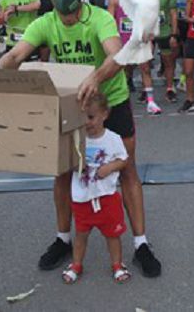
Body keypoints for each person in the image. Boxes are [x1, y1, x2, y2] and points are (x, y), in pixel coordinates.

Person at [0, 0, 162, 278]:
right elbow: (16, 56)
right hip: (72, 106)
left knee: (126, 169)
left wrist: (97, 76)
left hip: (111, 102)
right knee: (62, 172)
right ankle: (63, 239)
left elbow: (116, 53)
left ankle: (141, 244)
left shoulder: (98, 18)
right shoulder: (45, 23)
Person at [61, 93, 131, 284]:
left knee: (113, 235)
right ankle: (76, 264)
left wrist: (109, 167)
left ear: (104, 115)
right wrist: (74, 166)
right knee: (81, 235)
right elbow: (67, 161)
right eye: (83, 117)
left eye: (91, 117)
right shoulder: (77, 138)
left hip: (107, 197)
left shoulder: (113, 139)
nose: (87, 122)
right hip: (82, 198)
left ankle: (117, 264)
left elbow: (123, 159)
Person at [108, 0, 160, 114]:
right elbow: (109, 21)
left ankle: (151, 101)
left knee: (145, 69)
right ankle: (121, 101)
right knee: (123, 71)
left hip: (140, 40)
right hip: (123, 41)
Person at [147, 0, 179, 103]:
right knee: (146, 61)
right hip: (149, 33)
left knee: (168, 62)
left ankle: (170, 88)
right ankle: (146, 90)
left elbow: (173, 14)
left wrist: (174, 34)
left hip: (164, 32)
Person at [170, 0, 194, 92]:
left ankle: (182, 80)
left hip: (187, 23)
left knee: (188, 53)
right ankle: (171, 82)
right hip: (176, 23)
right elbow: (168, 5)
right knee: (174, 54)